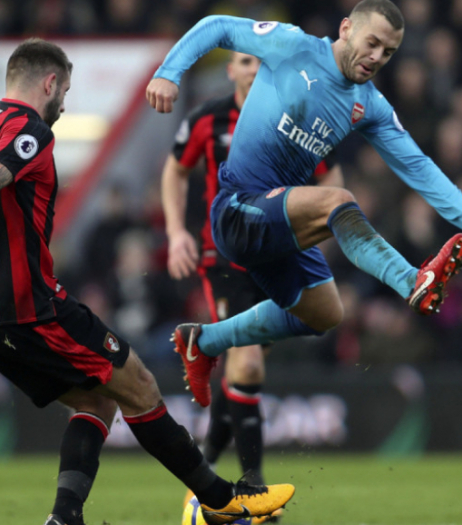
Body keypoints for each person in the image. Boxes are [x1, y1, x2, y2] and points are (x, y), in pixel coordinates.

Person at [0, 38, 294, 525]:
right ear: (49, 82)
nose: (63, 104)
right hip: (31, 309)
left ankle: (65, 518)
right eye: (65, 92)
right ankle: (221, 501)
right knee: (139, 384)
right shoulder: (30, 129)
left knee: (97, 400)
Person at [145, 0, 462, 407]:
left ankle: (204, 342)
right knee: (339, 199)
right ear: (346, 29)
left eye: (388, 52)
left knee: (325, 313)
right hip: (237, 208)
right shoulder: (292, 45)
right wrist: (169, 73)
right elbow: (218, 26)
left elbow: (414, 162)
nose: (377, 57)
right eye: (372, 43)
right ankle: (412, 282)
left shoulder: (369, 104)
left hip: (278, 221)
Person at [162, 51, 342, 493]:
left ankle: (205, 462)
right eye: (245, 61)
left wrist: (319, 228)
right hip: (224, 256)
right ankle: (254, 485)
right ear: (231, 71)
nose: (254, 69)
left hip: (277, 255)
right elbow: (175, 170)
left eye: (262, 63)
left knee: (241, 367)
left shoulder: (296, 119)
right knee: (247, 361)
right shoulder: (208, 118)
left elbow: (331, 177)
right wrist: (176, 232)